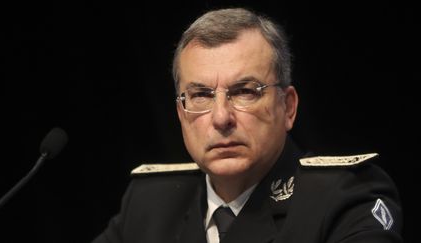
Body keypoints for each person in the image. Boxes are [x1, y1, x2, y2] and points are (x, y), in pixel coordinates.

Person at [92, 8, 403, 243]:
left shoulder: (343, 198)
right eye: (201, 95)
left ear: (288, 107)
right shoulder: (150, 202)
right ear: (180, 113)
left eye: (244, 92)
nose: (221, 118)